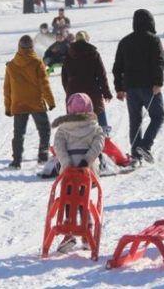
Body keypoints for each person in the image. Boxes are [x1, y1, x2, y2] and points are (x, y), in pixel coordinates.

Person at [51, 92, 106, 249]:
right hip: (87, 172)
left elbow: (59, 147)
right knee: (83, 199)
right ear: (89, 108)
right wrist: (86, 160)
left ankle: (69, 233)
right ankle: (87, 233)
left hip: (69, 172)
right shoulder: (94, 127)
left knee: (68, 199)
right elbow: (99, 144)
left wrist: (67, 163)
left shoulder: (63, 128)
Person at [112, 9, 164, 165]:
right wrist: (158, 83)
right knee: (158, 116)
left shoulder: (125, 41)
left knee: (135, 120)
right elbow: (158, 63)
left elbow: (117, 67)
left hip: (130, 88)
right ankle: (145, 145)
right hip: (149, 86)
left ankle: (136, 154)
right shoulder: (153, 40)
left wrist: (119, 88)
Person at [4, 35, 55, 169]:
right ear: (32, 47)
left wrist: (8, 107)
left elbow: (7, 88)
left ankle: (16, 160)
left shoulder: (12, 65)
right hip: (36, 103)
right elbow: (44, 84)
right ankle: (43, 156)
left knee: (18, 133)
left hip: (19, 103)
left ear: (19, 47)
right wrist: (50, 102)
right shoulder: (37, 63)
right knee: (44, 129)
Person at [61, 30, 113, 131]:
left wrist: (69, 92)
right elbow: (101, 75)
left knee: (73, 119)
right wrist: (106, 92)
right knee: (99, 112)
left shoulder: (68, 55)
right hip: (92, 91)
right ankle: (105, 137)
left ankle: (73, 141)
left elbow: (64, 77)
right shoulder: (93, 54)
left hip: (73, 91)